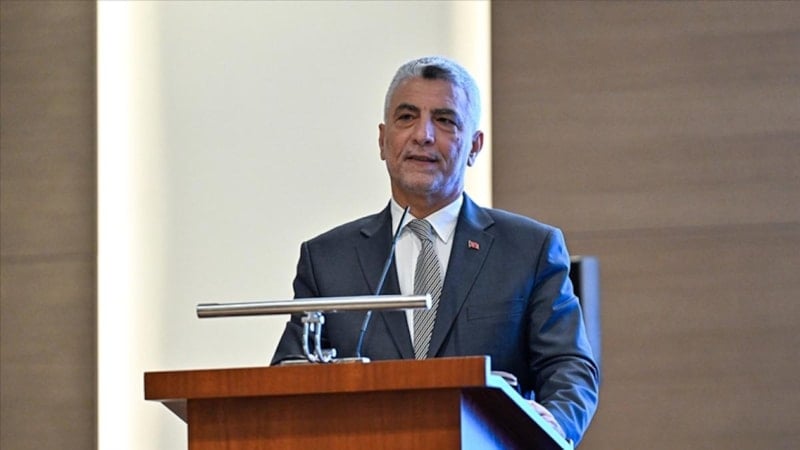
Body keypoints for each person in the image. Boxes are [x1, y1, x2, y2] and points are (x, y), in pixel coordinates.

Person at [271, 56, 599, 446]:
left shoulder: (529, 249)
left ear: (474, 146)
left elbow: (569, 367)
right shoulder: (327, 259)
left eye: (444, 120)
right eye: (407, 117)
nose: (423, 135)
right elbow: (289, 377)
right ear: (383, 140)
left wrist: (554, 425)